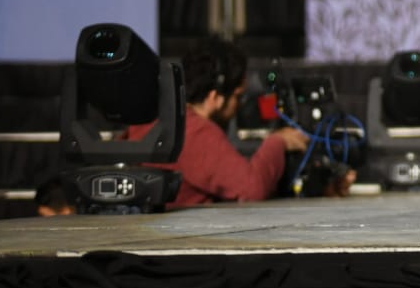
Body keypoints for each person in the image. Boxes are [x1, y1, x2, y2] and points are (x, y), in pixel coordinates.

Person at [127, 38, 317, 209]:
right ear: (215, 97)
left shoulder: (153, 121)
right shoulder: (196, 132)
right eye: (238, 97)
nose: (239, 106)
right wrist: (278, 141)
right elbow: (252, 188)